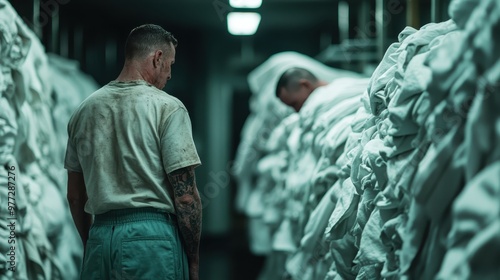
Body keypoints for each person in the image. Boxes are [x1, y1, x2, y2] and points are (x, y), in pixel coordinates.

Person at [64, 24, 202, 280]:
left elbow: (74, 195)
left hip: (101, 236)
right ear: (157, 58)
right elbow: (185, 198)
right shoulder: (168, 107)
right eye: (170, 64)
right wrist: (193, 260)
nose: (170, 74)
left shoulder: (84, 110)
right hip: (151, 240)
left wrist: (91, 243)